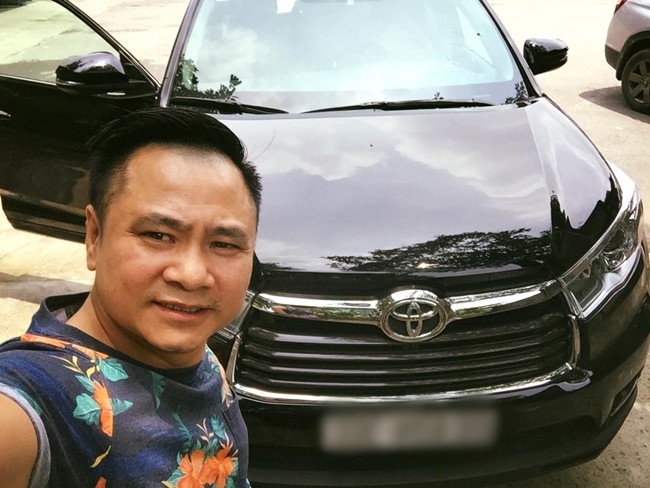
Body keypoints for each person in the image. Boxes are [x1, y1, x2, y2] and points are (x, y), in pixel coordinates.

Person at [0, 107, 261, 487]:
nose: (192, 275)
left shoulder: (201, 355)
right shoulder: (32, 405)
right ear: (94, 236)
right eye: (158, 235)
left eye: (223, 244)